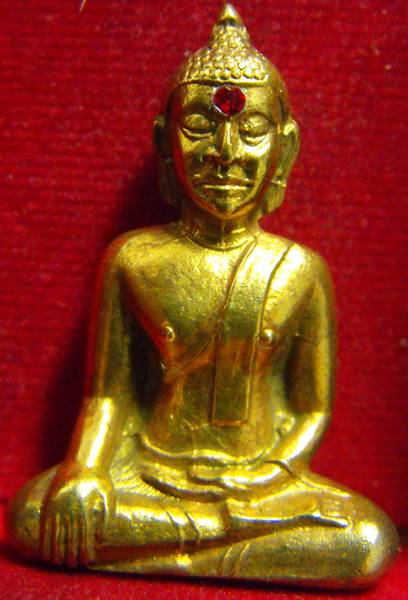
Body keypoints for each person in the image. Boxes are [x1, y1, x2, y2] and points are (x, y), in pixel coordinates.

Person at [8, 4, 398, 587]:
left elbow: (312, 409)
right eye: (199, 126)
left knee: (364, 541)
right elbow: (108, 396)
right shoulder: (133, 258)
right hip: (150, 471)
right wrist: (85, 471)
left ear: (286, 147)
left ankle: (189, 541)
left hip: (261, 485)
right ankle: (216, 538)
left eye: (252, 130)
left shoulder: (301, 270)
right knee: (34, 512)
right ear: (165, 142)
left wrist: (274, 468)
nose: (226, 151)